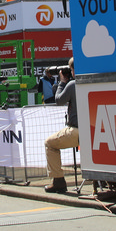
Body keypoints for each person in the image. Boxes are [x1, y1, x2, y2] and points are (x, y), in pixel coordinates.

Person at [43, 59, 77, 194]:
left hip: (76, 130)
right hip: (94, 129)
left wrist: (62, 83)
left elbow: (59, 100)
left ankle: (58, 181)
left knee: (49, 144)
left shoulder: (73, 85)